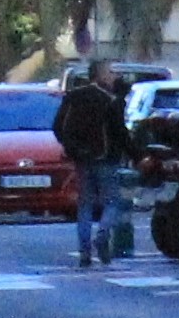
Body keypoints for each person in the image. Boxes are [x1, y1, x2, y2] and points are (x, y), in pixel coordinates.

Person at [53, 61, 130, 267]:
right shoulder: (111, 100)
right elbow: (120, 132)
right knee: (112, 201)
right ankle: (103, 234)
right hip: (106, 158)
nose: (115, 76)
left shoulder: (74, 96)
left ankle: (84, 252)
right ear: (101, 75)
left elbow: (58, 126)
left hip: (81, 159)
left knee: (85, 205)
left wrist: (71, 147)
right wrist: (136, 155)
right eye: (111, 72)